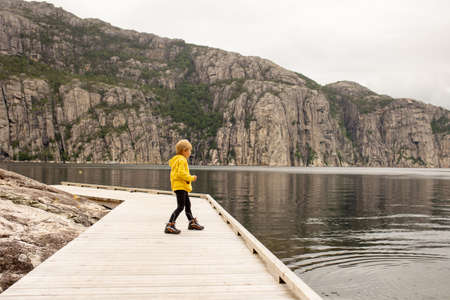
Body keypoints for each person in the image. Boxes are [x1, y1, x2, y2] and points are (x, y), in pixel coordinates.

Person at [165, 139, 204, 234]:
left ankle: (192, 222)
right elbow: (181, 173)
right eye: (189, 150)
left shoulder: (177, 159)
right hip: (180, 186)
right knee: (180, 207)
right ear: (184, 150)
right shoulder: (182, 160)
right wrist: (191, 178)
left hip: (181, 186)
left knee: (187, 205)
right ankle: (170, 225)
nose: (190, 152)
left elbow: (179, 173)